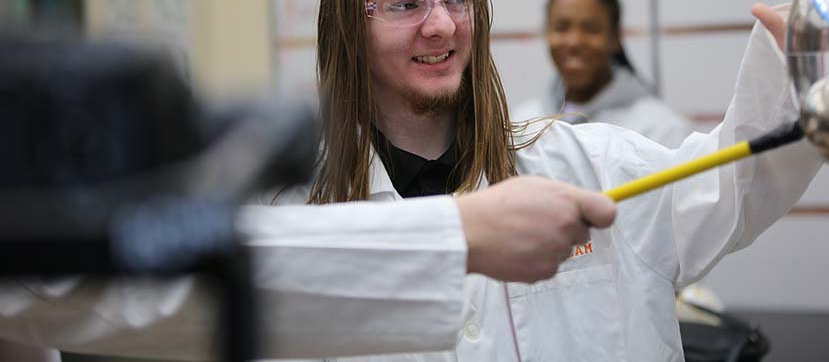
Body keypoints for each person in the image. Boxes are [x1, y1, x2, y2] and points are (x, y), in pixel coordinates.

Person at [304, 0, 821, 361]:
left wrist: (790, 80)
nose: (442, 25)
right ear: (350, 27)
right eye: (406, 3)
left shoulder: (589, 165)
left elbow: (732, 188)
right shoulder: (303, 221)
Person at [0, 154, 615, 360]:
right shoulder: (285, 199)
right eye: (404, 5)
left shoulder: (573, 153)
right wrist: (459, 232)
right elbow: (84, 289)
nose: (439, 26)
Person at [512, 0, 694, 147]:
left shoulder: (660, 130)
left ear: (615, 38)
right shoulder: (522, 123)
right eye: (561, 28)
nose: (574, 42)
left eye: (591, 29)